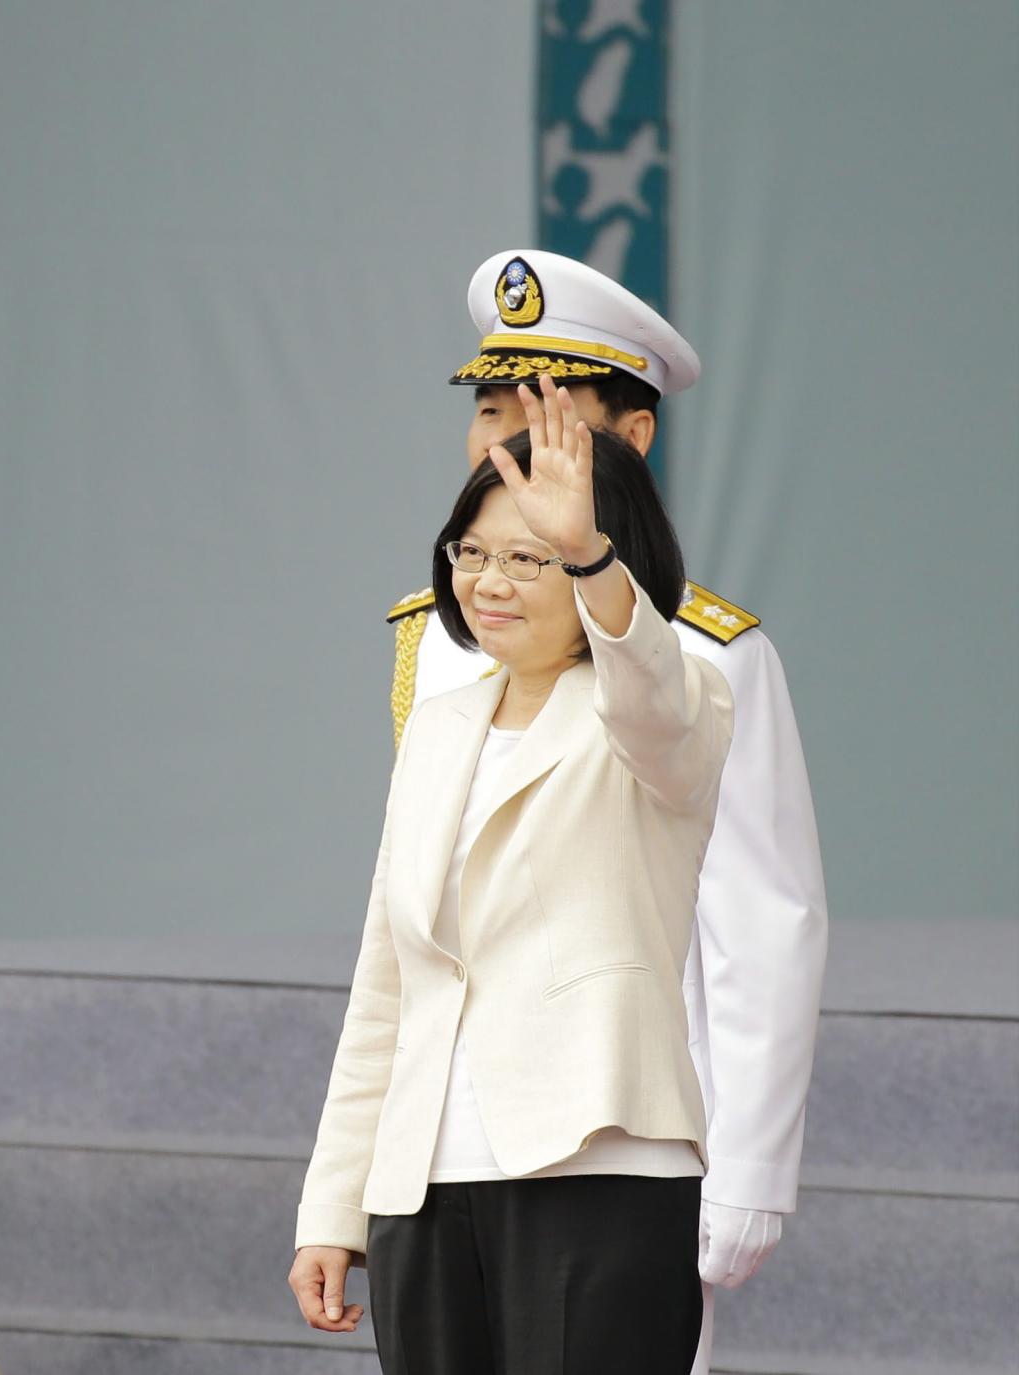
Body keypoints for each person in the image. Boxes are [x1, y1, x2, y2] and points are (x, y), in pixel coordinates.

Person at [387, 250, 828, 1373]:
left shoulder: (697, 652)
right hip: (449, 1138)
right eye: (487, 407)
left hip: (616, 1123)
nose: (502, 441)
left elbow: (757, 920)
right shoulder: (435, 635)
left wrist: (745, 1165)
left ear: (625, 440)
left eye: (542, 413)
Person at [292, 377, 734, 1372]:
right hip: (423, 1181)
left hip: (595, 1164)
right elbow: (386, 986)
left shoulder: (670, 698)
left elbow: (650, 696)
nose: (488, 582)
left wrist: (583, 553)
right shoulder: (441, 728)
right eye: (473, 553)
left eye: (526, 557)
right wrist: (333, 1206)